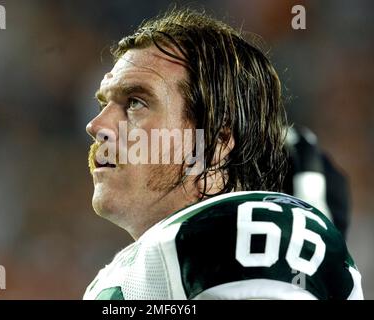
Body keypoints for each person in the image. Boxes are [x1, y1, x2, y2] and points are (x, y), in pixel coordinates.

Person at [84, 8, 363, 300]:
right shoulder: (176, 255)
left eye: (135, 102)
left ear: (217, 140)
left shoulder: (240, 234)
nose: (96, 125)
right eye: (104, 103)